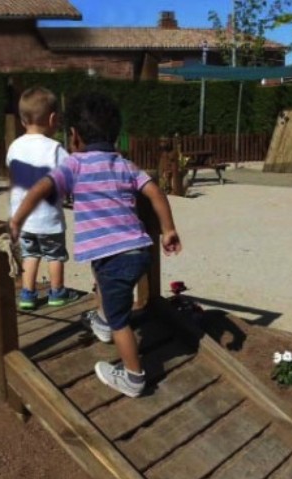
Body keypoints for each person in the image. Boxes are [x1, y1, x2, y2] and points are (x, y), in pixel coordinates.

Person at [10, 92, 182, 398]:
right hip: (138, 251)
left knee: (120, 322)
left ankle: (133, 377)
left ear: (74, 136)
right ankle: (102, 319)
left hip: (114, 256)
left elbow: (40, 188)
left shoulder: (74, 166)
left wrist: (17, 220)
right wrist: (168, 230)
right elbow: (155, 192)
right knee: (102, 275)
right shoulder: (124, 165)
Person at [6, 86, 78, 309]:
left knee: (30, 254)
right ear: (53, 118)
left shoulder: (15, 146)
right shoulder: (55, 149)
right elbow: (70, 177)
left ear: (22, 119)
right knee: (55, 256)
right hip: (49, 219)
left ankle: (28, 294)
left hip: (23, 218)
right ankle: (57, 292)